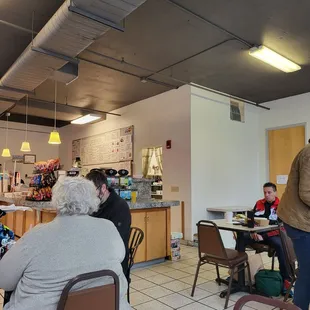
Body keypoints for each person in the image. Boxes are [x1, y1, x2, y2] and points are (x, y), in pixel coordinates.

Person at [0, 177, 131, 310]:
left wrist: (24, 242)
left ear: (56, 201)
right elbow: (120, 255)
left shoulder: (37, 234)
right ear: (93, 199)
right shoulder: (108, 226)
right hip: (108, 305)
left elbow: (4, 280)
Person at [242, 182, 291, 294]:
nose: (266, 195)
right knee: (241, 238)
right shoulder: (259, 203)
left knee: (280, 245)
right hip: (257, 233)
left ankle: (286, 280)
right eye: (265, 192)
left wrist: (262, 236)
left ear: (275, 192)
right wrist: (252, 232)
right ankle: (238, 275)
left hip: (273, 234)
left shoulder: (282, 205)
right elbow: (252, 219)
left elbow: (281, 225)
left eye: (269, 192)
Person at [278, 144, 310, 310]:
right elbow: (306, 192)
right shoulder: (309, 153)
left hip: (301, 220)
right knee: (307, 272)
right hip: (299, 222)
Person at [86, 170, 131, 278]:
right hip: (96, 255)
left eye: (92, 191)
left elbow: (116, 240)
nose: (89, 196)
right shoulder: (95, 203)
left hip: (114, 263)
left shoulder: (119, 207)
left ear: (103, 188)